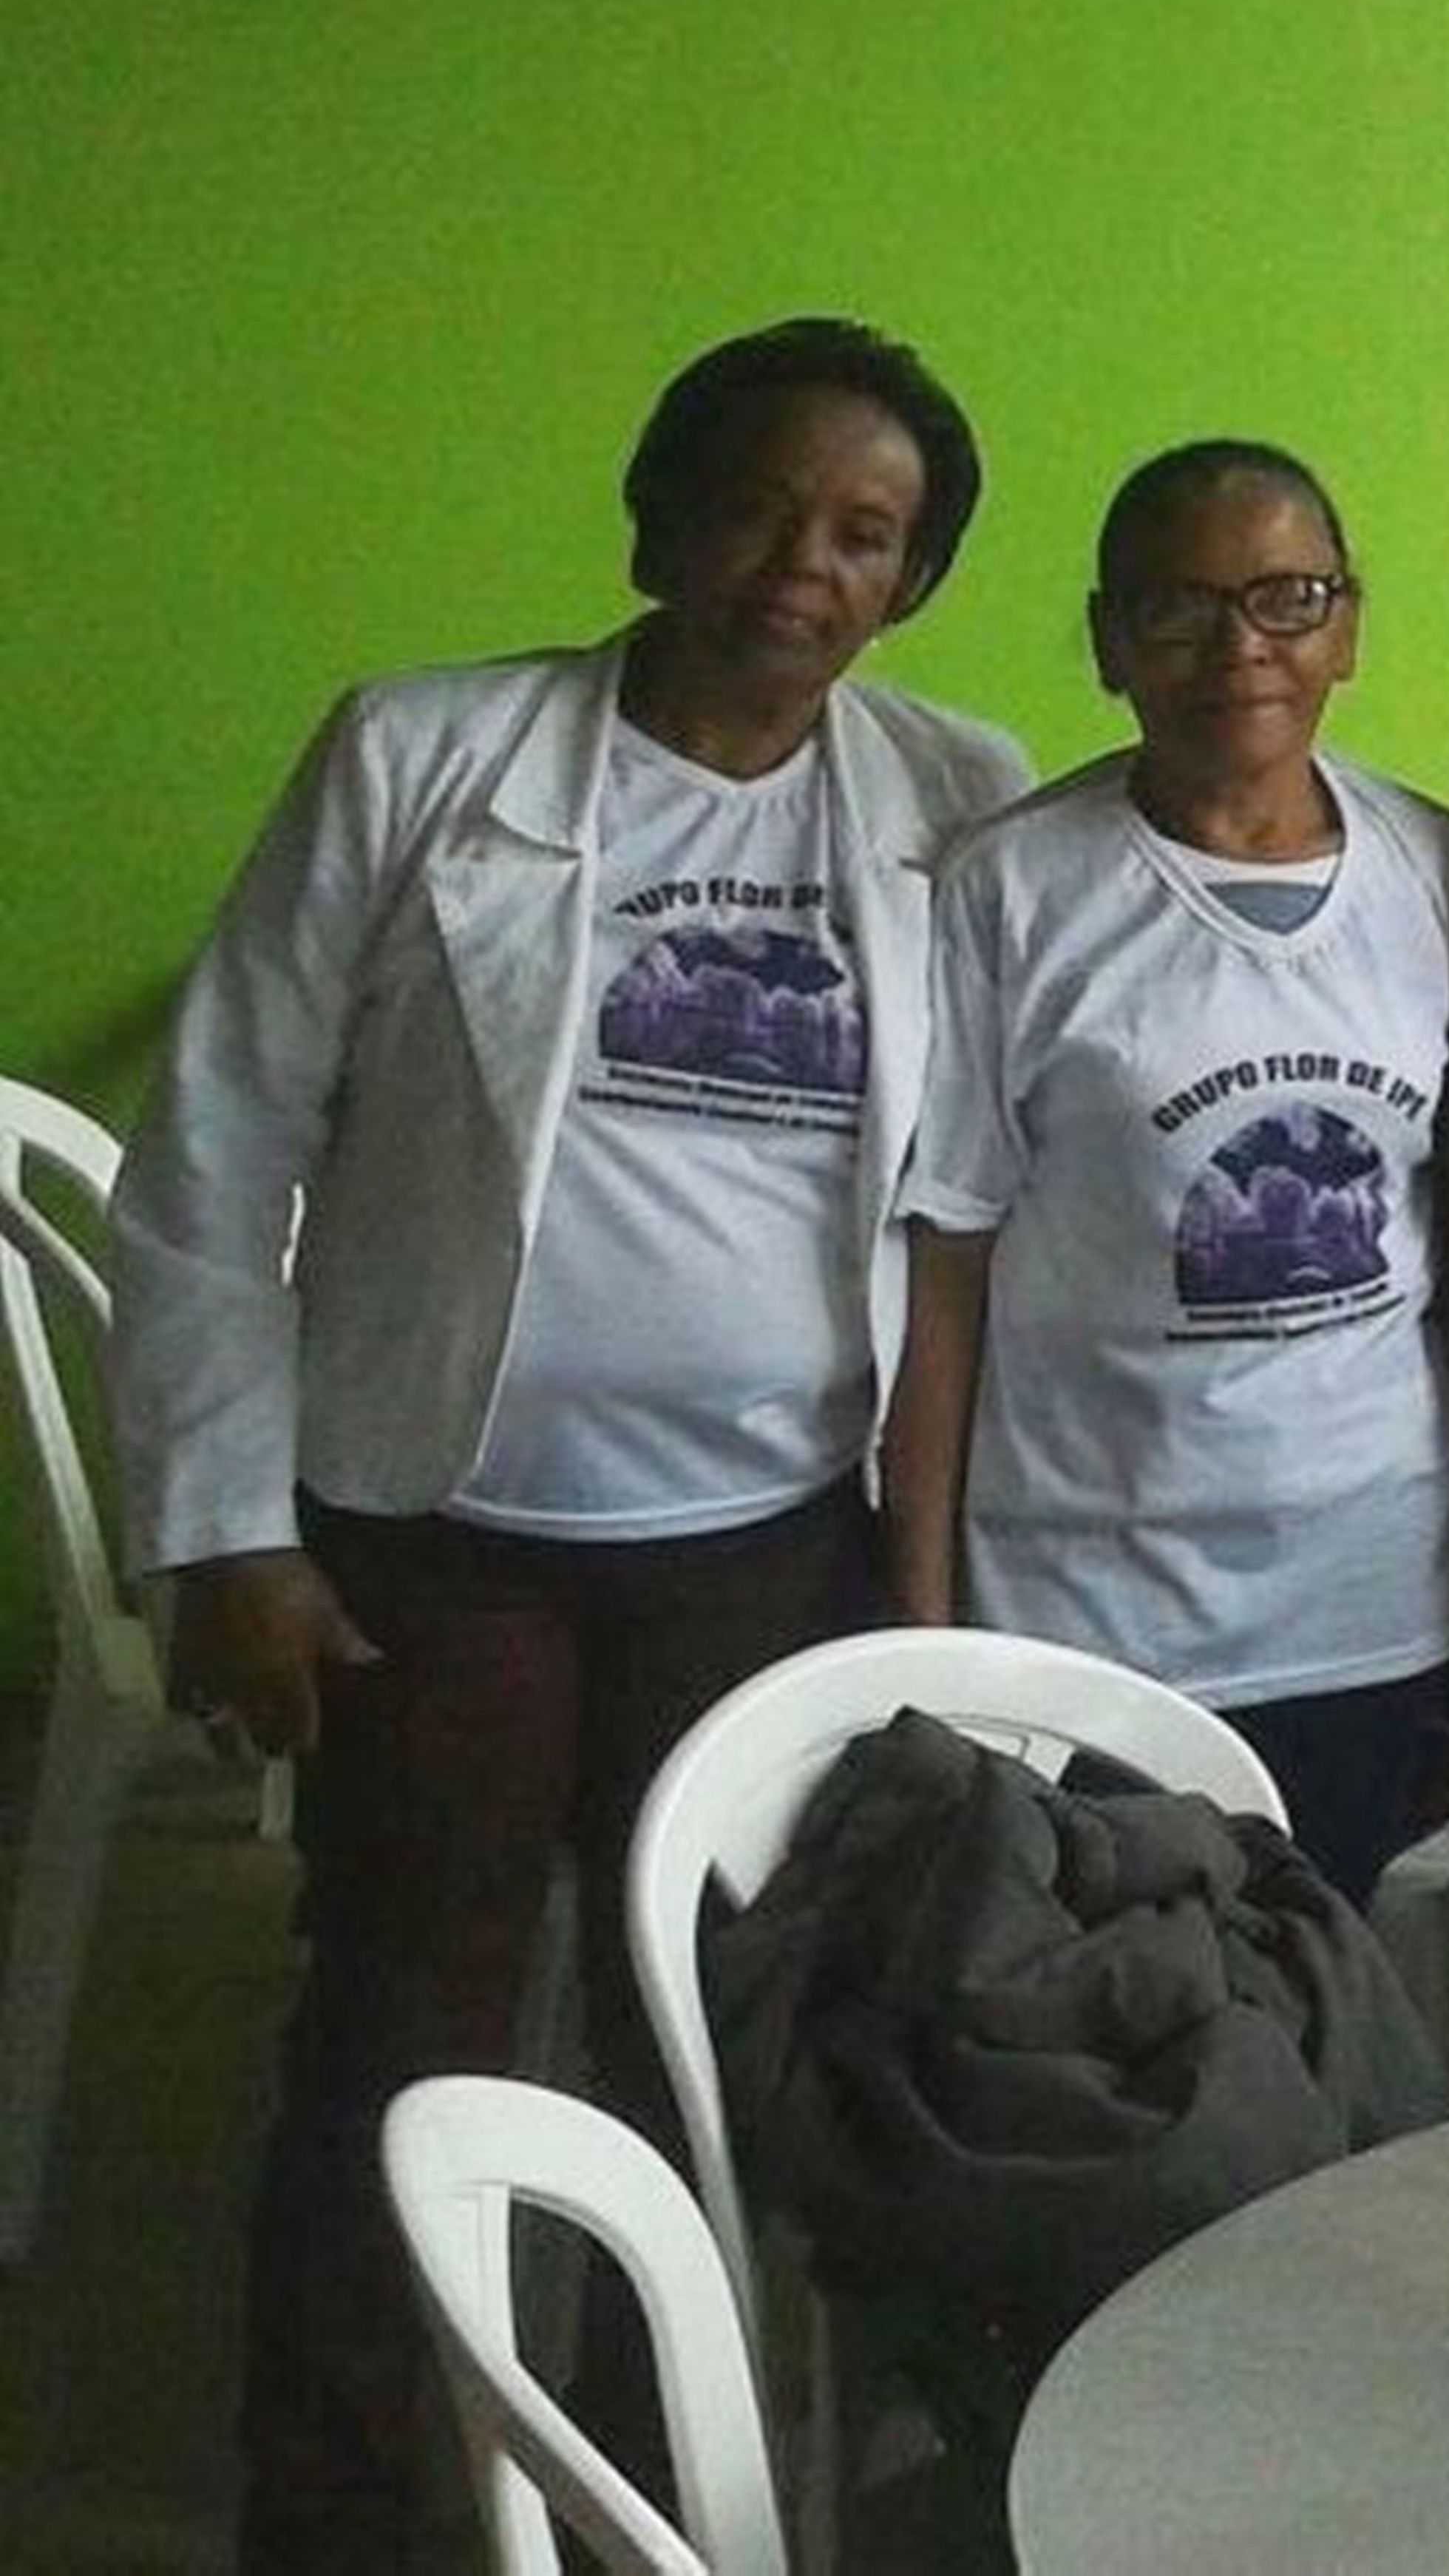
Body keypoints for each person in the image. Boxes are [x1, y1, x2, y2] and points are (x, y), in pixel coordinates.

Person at [106, 317, 1025, 2560]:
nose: (802, 567)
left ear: (909, 583)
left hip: (766, 1539)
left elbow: (992, 1183)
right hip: (442, 1529)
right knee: (402, 2038)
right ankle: (331, 2509)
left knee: (694, 2036)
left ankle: (649, 2488)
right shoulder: (425, 753)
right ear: (656, 520)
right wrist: (225, 1529)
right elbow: (220, 1140)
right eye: (760, 509)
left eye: (866, 535)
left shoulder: (955, 794)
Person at [880, 441, 1449, 1898]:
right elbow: (942, 1274)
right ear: (1106, 643)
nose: (1239, 648)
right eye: (1177, 608)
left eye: (1286, 599)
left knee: (1319, 1979)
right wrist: (924, 1623)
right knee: (1115, 1996)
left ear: (1347, 624)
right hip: (1094, 1615)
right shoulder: (1012, 890)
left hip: (1374, 1598)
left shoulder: (1440, 873)